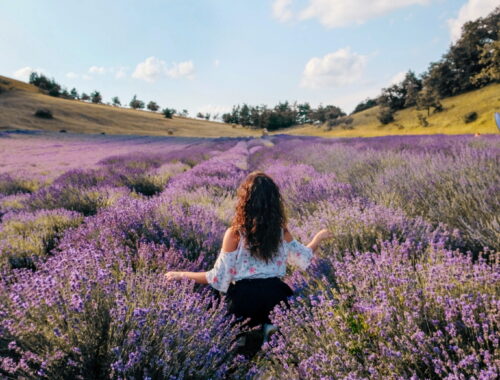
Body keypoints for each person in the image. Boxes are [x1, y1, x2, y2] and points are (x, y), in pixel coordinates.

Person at [165, 171, 332, 329]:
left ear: (244, 201)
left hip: (244, 301)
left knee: (226, 317)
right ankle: (270, 330)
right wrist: (318, 238)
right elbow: (303, 258)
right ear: (274, 202)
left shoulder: (235, 233)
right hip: (277, 298)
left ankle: (250, 337)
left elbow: (218, 277)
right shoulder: (280, 231)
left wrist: (182, 275)